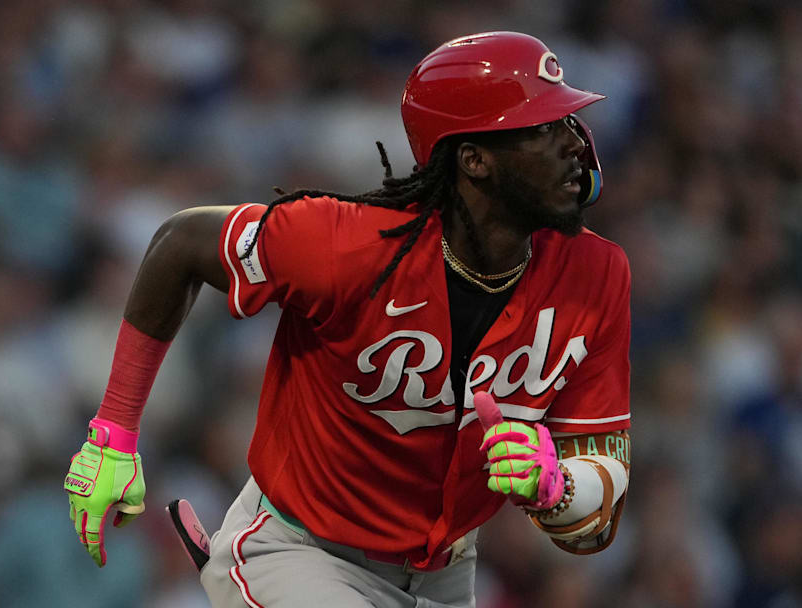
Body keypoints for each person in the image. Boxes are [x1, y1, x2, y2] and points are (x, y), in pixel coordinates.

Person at [64, 31, 633, 607]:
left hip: (446, 575)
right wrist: (114, 433)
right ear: (475, 160)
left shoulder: (598, 273)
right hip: (302, 551)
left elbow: (597, 518)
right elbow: (180, 242)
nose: (575, 144)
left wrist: (555, 488)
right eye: (544, 128)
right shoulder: (349, 244)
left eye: (570, 123)